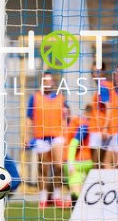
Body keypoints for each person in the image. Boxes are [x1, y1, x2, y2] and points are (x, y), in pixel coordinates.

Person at [25, 71, 69, 208]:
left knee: (58, 166)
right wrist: (26, 136)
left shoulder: (60, 98)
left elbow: (65, 118)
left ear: (53, 83)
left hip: (57, 136)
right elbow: (29, 118)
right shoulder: (35, 98)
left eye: (50, 81)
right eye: (45, 81)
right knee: (43, 168)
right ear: (42, 83)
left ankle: (57, 196)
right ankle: (43, 198)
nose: (48, 83)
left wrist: (66, 135)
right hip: (41, 136)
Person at [65, 107, 92, 201]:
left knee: (76, 182)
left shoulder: (76, 123)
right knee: (77, 182)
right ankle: (76, 197)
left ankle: (75, 196)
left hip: (79, 161)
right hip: (81, 161)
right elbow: (74, 143)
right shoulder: (84, 125)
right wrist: (71, 162)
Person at [87, 62, 111, 167]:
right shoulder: (102, 86)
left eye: (97, 71)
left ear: (103, 72)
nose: (94, 74)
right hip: (100, 129)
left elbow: (109, 107)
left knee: (96, 164)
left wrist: (105, 128)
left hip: (99, 129)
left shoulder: (102, 86)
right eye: (93, 72)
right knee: (101, 164)